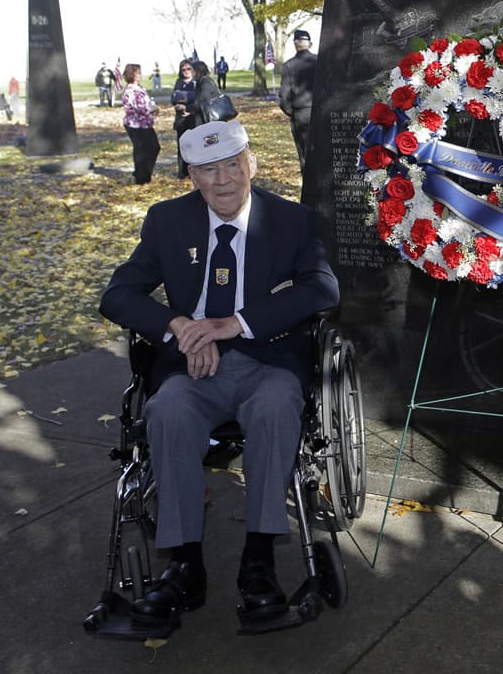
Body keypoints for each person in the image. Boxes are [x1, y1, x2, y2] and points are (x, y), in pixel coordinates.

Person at [99, 119, 340, 630]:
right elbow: (117, 295)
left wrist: (235, 325)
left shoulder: (292, 221)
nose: (225, 180)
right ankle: (185, 564)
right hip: (193, 366)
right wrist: (179, 327)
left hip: (269, 358)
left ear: (250, 163)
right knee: (167, 411)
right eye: (209, 170)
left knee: (277, 408)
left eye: (233, 165)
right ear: (192, 176)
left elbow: (322, 288)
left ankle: (258, 561)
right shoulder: (167, 221)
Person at [278, 29, 318, 177]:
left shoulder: (289, 65)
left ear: (295, 45)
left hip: (301, 115)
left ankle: (309, 191)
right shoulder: (320, 61)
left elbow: (284, 96)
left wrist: (293, 111)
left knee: (305, 156)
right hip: (321, 113)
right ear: (310, 44)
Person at [120, 62, 160, 184]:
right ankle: (141, 177)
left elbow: (146, 102)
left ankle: (144, 174)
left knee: (154, 147)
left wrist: (152, 107)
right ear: (132, 74)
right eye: (138, 73)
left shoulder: (140, 88)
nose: (140, 75)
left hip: (145, 124)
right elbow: (140, 108)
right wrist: (153, 109)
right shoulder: (130, 90)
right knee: (142, 151)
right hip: (135, 125)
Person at [171, 59, 198, 178]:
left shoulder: (197, 83)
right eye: (183, 69)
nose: (186, 72)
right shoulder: (178, 82)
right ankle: (182, 172)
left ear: (193, 70)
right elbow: (173, 99)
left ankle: (195, 171)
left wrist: (185, 103)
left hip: (194, 119)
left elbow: (198, 100)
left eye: (188, 69)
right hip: (181, 119)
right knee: (182, 146)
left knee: (195, 146)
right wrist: (181, 102)